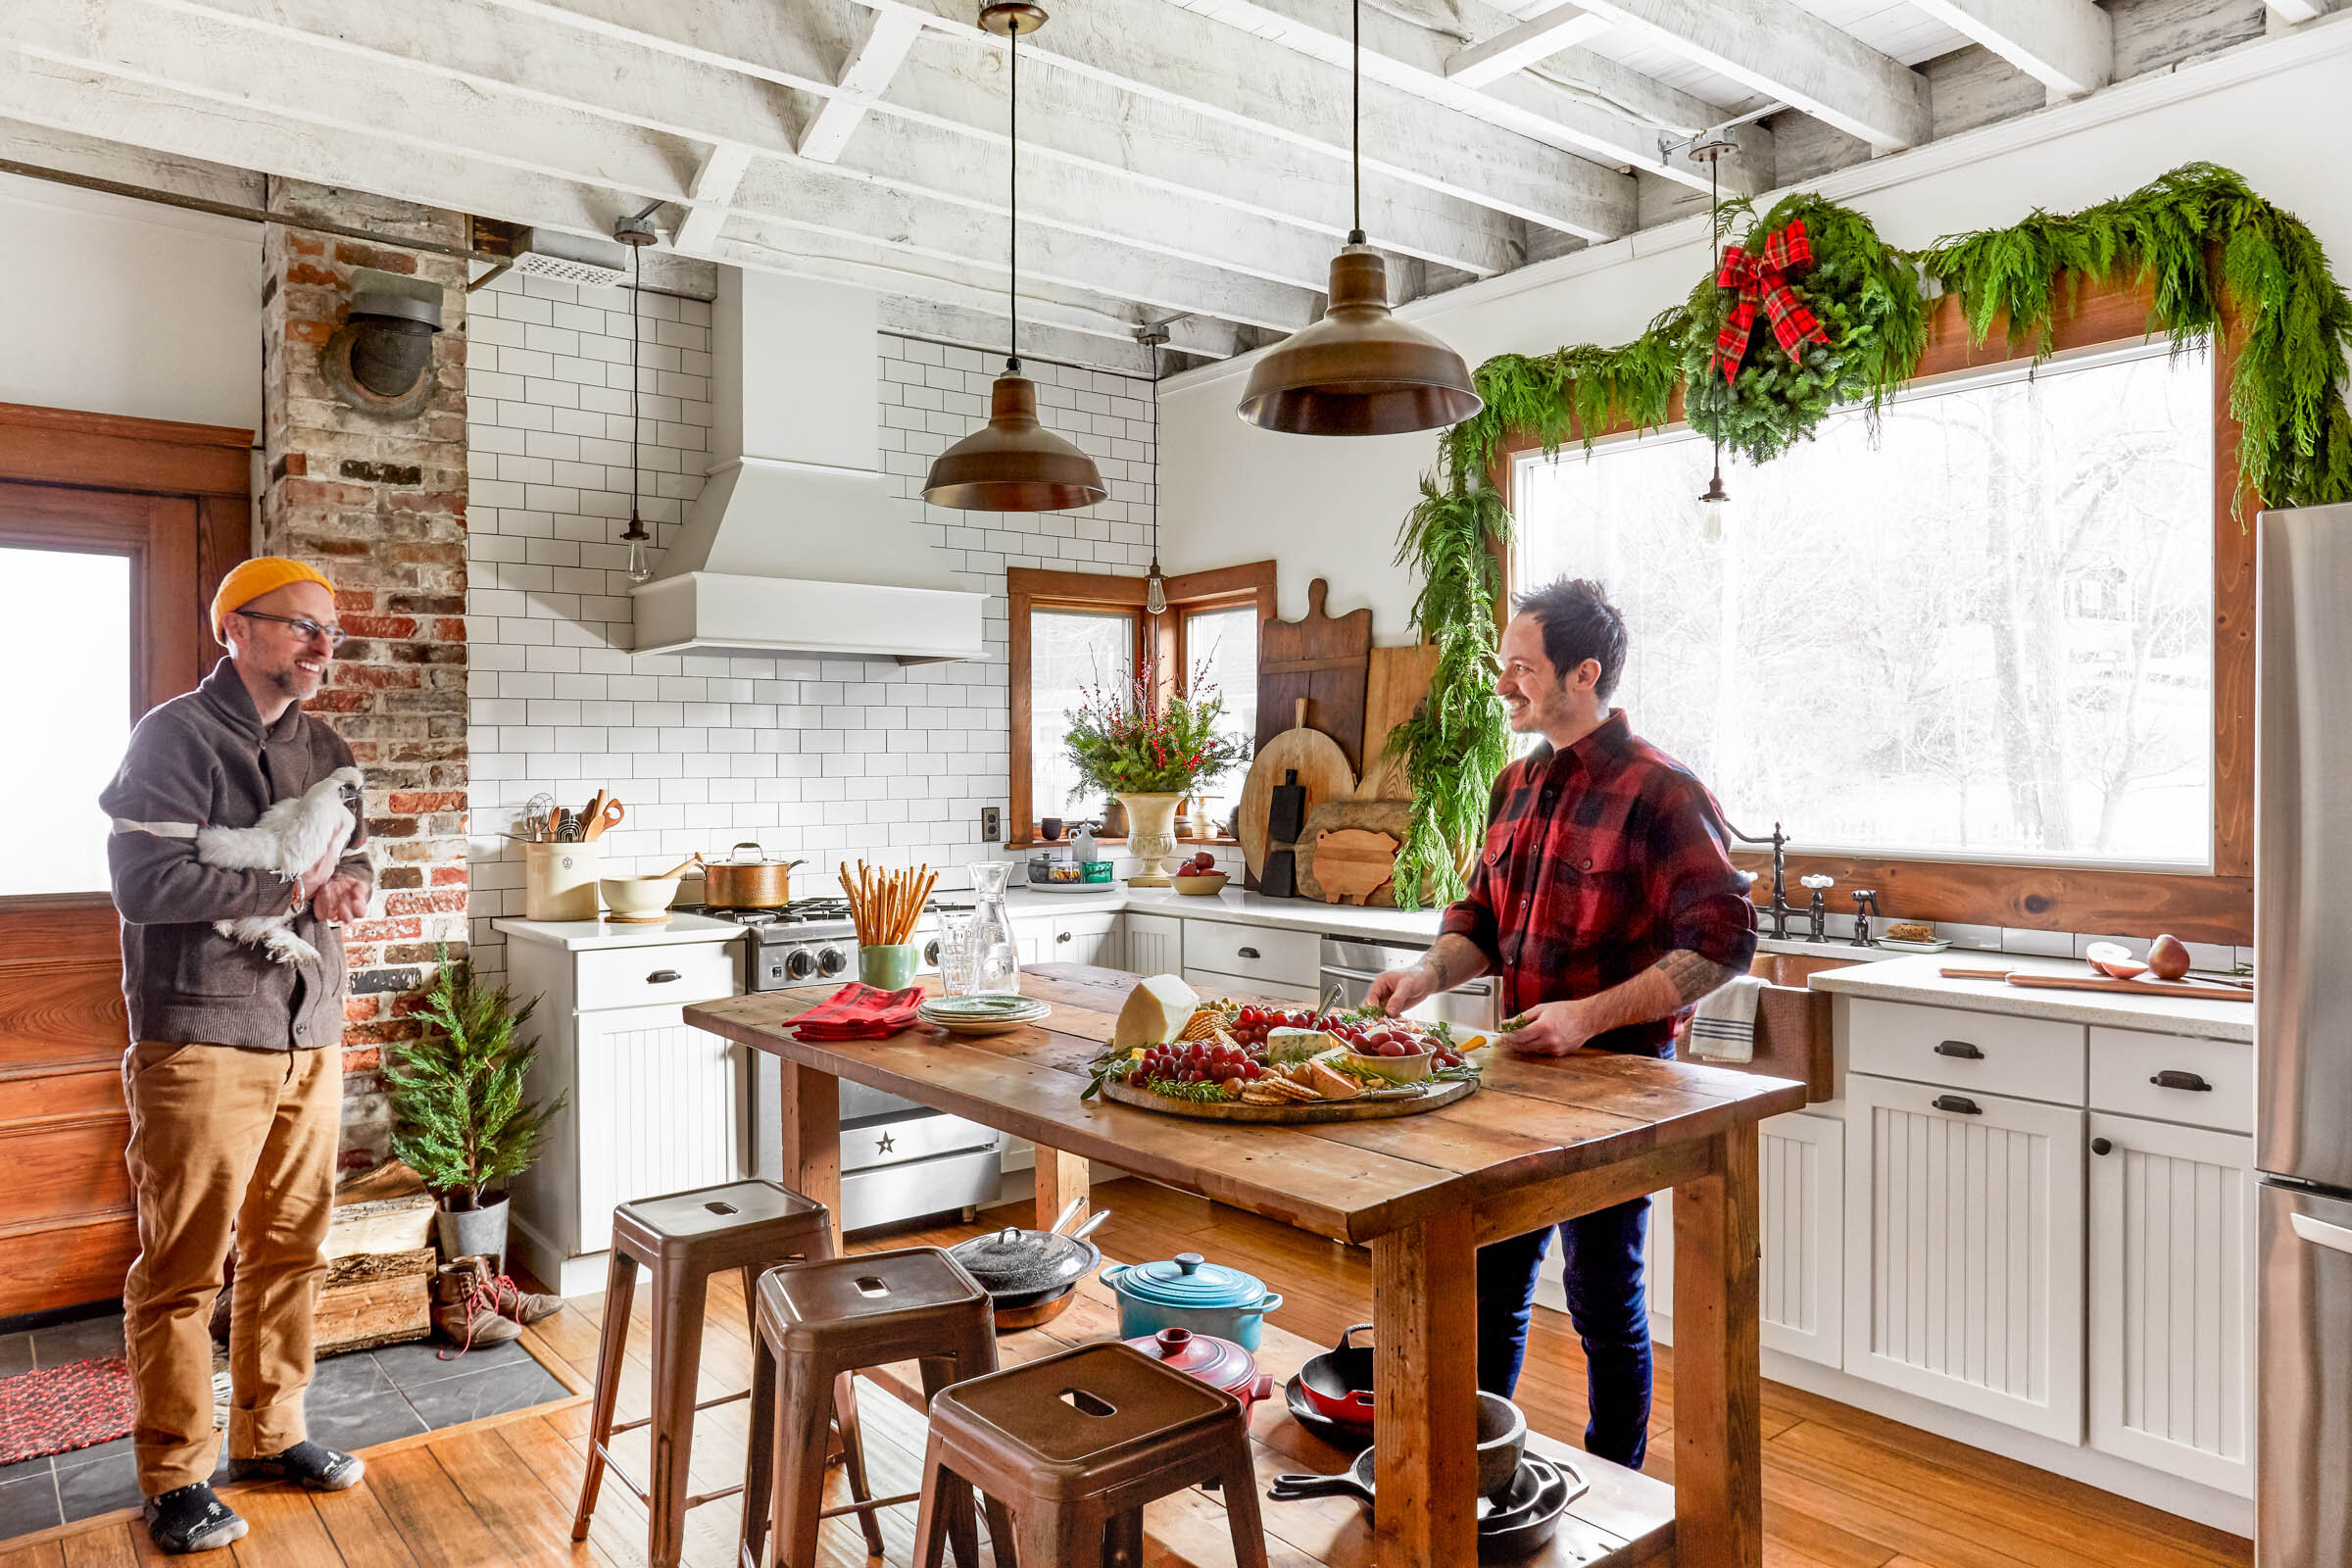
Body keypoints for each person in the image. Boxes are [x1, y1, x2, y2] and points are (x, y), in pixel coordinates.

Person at [1367, 577, 1756, 1471]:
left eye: (1522, 668)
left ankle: (1615, 1484)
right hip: (1518, 1079)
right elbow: (1481, 922)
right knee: (1495, 1285)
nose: (1505, 683)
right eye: (1504, 665)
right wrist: (1428, 972)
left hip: (1619, 1091)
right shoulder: (1516, 782)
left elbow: (1724, 943)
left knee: (1601, 1297)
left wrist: (1589, 1016)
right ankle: (1483, 1473)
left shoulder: (1663, 790)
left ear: (1584, 674)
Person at [100, 558, 373, 1554]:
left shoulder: (328, 743)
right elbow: (146, 881)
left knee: (291, 1246)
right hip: (202, 1033)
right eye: (302, 627)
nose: (321, 646)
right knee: (182, 1266)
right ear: (236, 631)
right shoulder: (173, 736)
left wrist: (346, 888)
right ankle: (175, 1474)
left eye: (329, 632)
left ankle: (273, 1432)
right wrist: (292, 893)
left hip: (311, 1029)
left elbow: (355, 856)